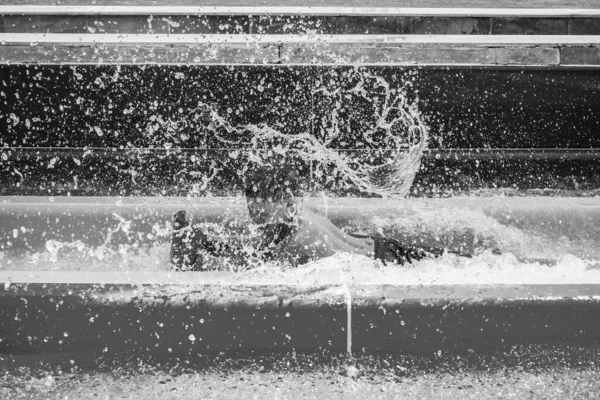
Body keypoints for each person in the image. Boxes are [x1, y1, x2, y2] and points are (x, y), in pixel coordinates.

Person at [170, 164, 465, 271]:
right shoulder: (295, 214)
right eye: (252, 208)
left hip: (384, 262)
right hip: (380, 248)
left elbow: (252, 258)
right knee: (457, 261)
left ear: (286, 204)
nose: (256, 216)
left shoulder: (293, 235)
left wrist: (201, 242)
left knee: (461, 267)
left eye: (262, 210)